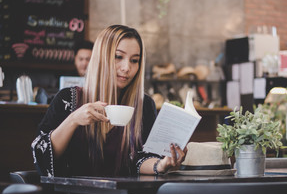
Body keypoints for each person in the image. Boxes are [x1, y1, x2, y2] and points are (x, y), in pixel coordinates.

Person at [31, 25, 186, 180]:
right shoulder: (68, 99)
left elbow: (141, 159)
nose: (127, 68)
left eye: (134, 60)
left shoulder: (144, 105)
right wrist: (73, 120)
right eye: (118, 57)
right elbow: (42, 156)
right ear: (101, 57)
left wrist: (161, 165)